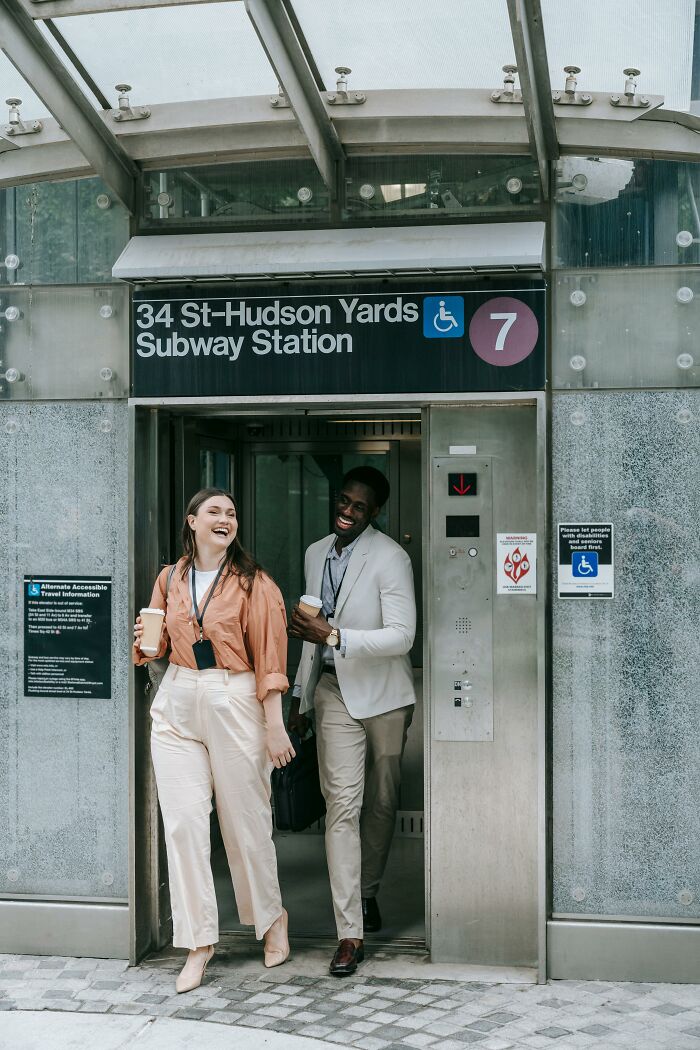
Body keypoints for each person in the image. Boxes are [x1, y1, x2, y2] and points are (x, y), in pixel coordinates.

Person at [133, 487, 295, 993]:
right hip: (179, 695)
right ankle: (199, 942)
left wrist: (275, 724)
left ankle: (271, 919)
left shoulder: (255, 583)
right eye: (215, 512)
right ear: (193, 522)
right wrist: (144, 637)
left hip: (236, 696)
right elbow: (152, 646)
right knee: (182, 824)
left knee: (245, 822)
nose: (225, 519)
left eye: (231, 513)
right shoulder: (171, 577)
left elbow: (270, 654)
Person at [288, 466, 416, 976]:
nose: (346, 510)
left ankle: (368, 892)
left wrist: (336, 636)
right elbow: (308, 629)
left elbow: (402, 635)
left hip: (385, 696)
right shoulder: (315, 552)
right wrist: (299, 697)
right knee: (342, 807)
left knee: (381, 806)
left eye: (358, 506)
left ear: (374, 512)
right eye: (343, 500)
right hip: (333, 693)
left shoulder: (391, 557)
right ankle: (349, 933)